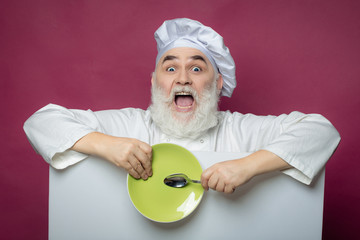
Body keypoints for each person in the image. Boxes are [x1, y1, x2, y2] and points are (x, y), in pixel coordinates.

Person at [23, 18, 340, 194]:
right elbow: (41, 121)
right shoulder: (130, 125)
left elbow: (320, 131)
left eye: (198, 68)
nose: (183, 78)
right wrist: (103, 144)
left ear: (217, 84)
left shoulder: (241, 129)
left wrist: (247, 166)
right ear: (154, 81)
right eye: (170, 68)